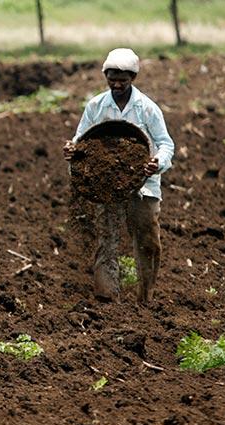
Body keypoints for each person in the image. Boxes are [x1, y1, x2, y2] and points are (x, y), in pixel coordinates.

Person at [63, 48, 175, 303]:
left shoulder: (147, 108)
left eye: (122, 80)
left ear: (133, 78)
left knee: (147, 240)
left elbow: (165, 143)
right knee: (106, 239)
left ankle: (145, 298)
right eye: (111, 78)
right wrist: (72, 148)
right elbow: (82, 139)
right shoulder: (96, 106)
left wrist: (156, 162)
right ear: (105, 76)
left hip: (143, 184)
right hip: (106, 185)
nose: (116, 84)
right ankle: (106, 297)